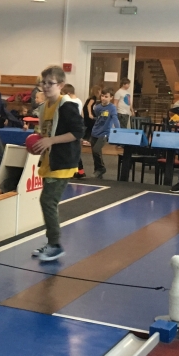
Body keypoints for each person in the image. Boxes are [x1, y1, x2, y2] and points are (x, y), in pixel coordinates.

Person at [26, 65, 84, 262]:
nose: (45, 87)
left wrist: (51, 140)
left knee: (47, 201)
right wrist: (38, 141)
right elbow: (46, 132)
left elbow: (78, 132)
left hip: (63, 162)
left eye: (50, 83)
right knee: (48, 202)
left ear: (60, 85)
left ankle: (55, 245)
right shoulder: (44, 107)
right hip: (50, 161)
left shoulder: (67, 106)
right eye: (43, 83)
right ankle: (51, 243)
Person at [90, 88, 118, 179]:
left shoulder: (112, 108)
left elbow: (115, 119)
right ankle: (97, 171)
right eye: (102, 96)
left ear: (111, 98)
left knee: (96, 150)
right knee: (95, 152)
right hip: (95, 131)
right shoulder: (97, 107)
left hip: (104, 133)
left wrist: (118, 130)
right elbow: (98, 117)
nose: (103, 98)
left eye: (106, 96)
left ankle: (101, 168)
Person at [61, 84, 87, 179]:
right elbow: (81, 115)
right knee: (75, 150)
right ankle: (80, 171)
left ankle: (75, 171)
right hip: (76, 127)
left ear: (68, 93)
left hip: (70, 129)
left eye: (62, 94)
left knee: (71, 151)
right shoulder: (79, 100)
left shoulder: (69, 102)